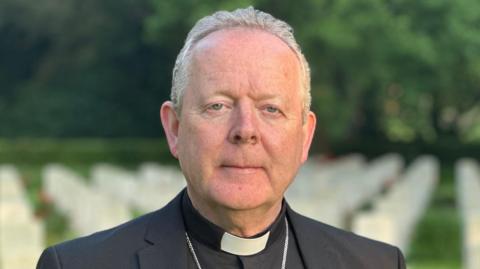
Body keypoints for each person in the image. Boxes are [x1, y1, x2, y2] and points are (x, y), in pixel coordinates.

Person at [37, 7, 406, 269]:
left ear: (305, 136)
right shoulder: (75, 265)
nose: (245, 130)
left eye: (271, 109)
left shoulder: (377, 264)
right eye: (217, 106)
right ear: (175, 128)